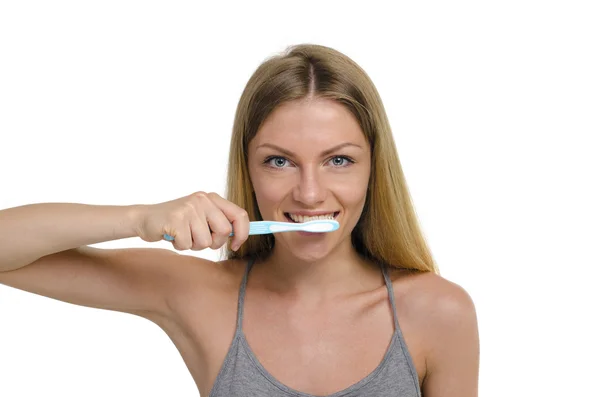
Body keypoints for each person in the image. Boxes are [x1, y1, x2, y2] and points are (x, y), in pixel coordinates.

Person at [0, 44, 479, 396]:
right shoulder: (200, 294)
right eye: (279, 161)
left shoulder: (439, 313)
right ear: (247, 169)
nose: (310, 194)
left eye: (338, 161)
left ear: (375, 169)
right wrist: (141, 217)